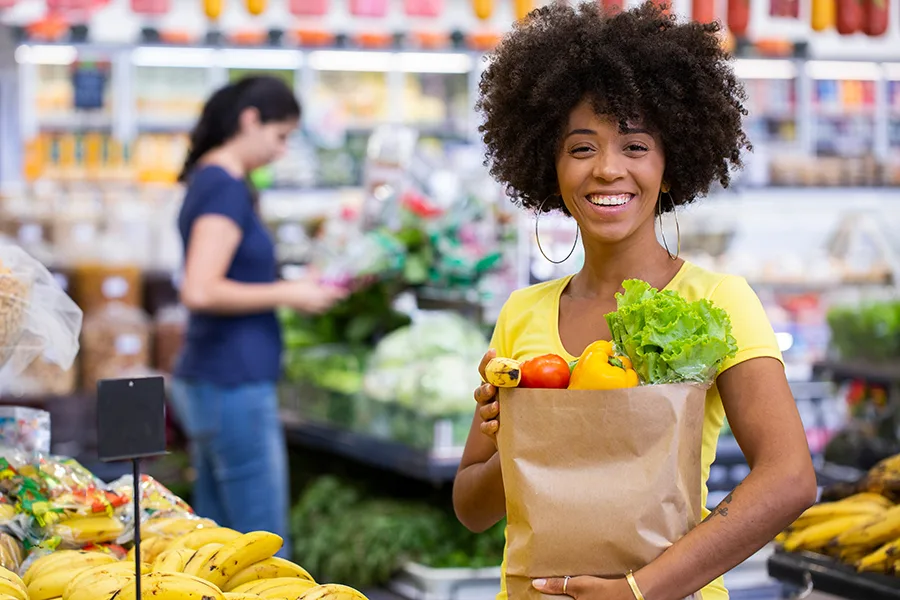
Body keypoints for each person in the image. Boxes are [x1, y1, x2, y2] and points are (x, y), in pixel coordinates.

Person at [452, 3, 817, 600]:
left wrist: (639, 590)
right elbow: (472, 507)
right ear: (550, 164)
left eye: (635, 146)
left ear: (671, 167)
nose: (607, 170)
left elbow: (789, 479)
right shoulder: (523, 312)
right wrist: (517, 439)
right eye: (581, 148)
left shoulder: (718, 299)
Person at [170, 76, 347, 557]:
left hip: (215, 379)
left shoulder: (212, 182)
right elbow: (200, 288)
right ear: (250, 120)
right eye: (280, 136)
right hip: (232, 383)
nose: (281, 150)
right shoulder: (224, 187)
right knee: (263, 550)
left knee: (218, 550)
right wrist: (289, 293)